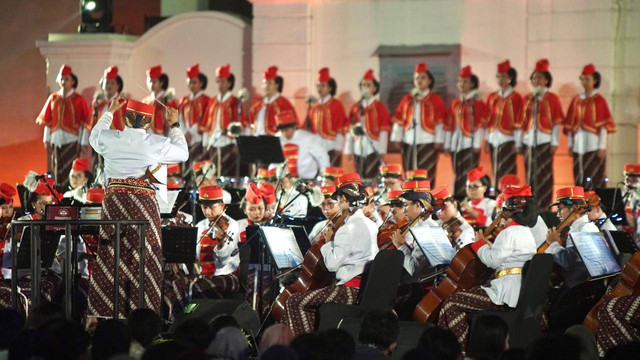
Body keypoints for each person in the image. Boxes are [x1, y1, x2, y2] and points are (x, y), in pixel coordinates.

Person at [87, 96, 188, 321]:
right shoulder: (155, 142)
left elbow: (94, 136)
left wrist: (109, 111)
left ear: (125, 119)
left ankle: (108, 317)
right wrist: (174, 125)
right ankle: (143, 319)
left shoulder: (111, 138)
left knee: (112, 255)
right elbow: (183, 154)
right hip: (143, 204)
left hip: (114, 203)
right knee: (145, 257)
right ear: (148, 123)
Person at [438, 185, 537, 348]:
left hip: (505, 294)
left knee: (452, 303)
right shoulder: (525, 232)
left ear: (509, 210)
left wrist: (479, 244)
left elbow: (492, 261)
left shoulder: (509, 233)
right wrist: (487, 245)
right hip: (519, 291)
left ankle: (459, 352)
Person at [282, 173, 378, 336]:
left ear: (346, 201)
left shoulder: (347, 229)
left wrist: (328, 243)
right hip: (366, 290)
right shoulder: (371, 224)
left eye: (339, 199)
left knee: (294, 301)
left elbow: (332, 264)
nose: (338, 204)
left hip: (348, 291)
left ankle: (304, 347)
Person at [518, 59, 564, 209]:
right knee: (530, 174)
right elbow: (521, 122)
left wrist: (555, 142)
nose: (537, 81)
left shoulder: (552, 98)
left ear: (546, 80)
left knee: (544, 175)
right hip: (529, 141)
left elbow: (556, 122)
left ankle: (544, 206)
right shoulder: (528, 98)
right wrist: (519, 142)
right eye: (534, 77)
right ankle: (530, 206)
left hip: (544, 140)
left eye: (540, 77)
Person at [390, 62, 446, 185]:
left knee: (427, 172)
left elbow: (440, 122)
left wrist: (439, 140)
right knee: (409, 171)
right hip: (409, 141)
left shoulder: (436, 100)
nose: (419, 80)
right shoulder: (408, 99)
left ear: (429, 80)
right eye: (417, 78)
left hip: (428, 141)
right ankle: (411, 198)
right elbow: (399, 119)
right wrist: (397, 138)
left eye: (423, 77)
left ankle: (426, 199)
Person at [36, 64, 90, 188]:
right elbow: (47, 120)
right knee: (56, 168)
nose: (63, 81)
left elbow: (84, 123)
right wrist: (46, 140)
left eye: (66, 79)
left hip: (72, 139)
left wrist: (83, 142)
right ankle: (58, 194)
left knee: (71, 168)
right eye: (61, 78)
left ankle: (69, 192)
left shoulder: (78, 99)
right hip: (56, 139)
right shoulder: (53, 98)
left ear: (72, 81)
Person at [565, 64, 616, 189]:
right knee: (578, 175)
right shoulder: (576, 100)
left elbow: (603, 127)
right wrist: (570, 145)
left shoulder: (599, 100)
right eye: (582, 79)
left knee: (594, 176)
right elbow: (571, 126)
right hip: (578, 145)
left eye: (587, 79)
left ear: (595, 80)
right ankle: (580, 203)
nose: (584, 82)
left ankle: (595, 203)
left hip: (593, 145)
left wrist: (602, 147)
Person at [190, 185, 241, 299]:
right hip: (203, 276)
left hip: (227, 276)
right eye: (204, 207)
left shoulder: (232, 225)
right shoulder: (200, 225)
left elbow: (224, 261)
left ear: (222, 205)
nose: (207, 212)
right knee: (179, 284)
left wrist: (221, 243)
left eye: (211, 207)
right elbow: (194, 256)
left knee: (199, 288)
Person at [345, 69, 391, 179]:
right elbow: (349, 129)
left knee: (373, 177)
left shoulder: (379, 107)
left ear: (374, 88)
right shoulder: (356, 107)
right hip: (357, 147)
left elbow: (384, 130)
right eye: (363, 85)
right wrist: (348, 149)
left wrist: (383, 150)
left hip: (373, 147)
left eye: (368, 85)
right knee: (359, 176)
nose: (365, 87)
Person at [202, 64, 245, 177]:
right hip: (214, 142)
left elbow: (239, 123)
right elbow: (207, 123)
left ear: (229, 83)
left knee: (228, 174)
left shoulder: (235, 101)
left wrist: (238, 143)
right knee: (213, 174)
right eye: (219, 81)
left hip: (228, 143)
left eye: (223, 81)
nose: (220, 84)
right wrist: (205, 142)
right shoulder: (213, 101)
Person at [486, 60, 522, 189]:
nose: (501, 79)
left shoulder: (516, 98)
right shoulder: (492, 97)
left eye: (504, 76)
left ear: (510, 78)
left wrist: (518, 143)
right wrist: (486, 140)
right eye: (499, 76)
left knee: (508, 169)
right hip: (493, 138)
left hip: (508, 138)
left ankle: (509, 196)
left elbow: (518, 121)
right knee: (495, 170)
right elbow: (487, 120)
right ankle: (497, 197)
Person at [308, 67, 348, 167]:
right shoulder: (314, 106)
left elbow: (340, 127)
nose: (320, 88)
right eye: (318, 85)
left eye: (323, 85)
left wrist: (339, 147)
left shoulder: (336, 105)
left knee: (331, 172)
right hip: (316, 145)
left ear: (330, 87)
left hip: (331, 145)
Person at [278, 111, 331, 180]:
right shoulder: (279, 139)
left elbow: (323, 157)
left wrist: (324, 177)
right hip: (286, 180)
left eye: (287, 130)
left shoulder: (309, 138)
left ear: (294, 126)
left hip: (307, 180)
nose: (284, 134)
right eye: (282, 131)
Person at [178, 64, 211, 173]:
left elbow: (206, 120)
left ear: (201, 83)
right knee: (184, 168)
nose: (191, 85)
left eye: (194, 82)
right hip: (185, 138)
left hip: (199, 138)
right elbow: (180, 118)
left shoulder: (207, 100)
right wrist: (185, 132)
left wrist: (192, 132)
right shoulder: (184, 100)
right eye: (189, 82)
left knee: (197, 167)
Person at [248, 66, 297, 136]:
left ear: (277, 85)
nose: (266, 86)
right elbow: (250, 120)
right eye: (264, 83)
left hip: (274, 139)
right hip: (256, 138)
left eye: (269, 83)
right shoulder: (258, 103)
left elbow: (290, 125)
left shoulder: (283, 103)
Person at [432, 185, 474, 249]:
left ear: (454, 205)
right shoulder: (437, 224)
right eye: (437, 210)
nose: (440, 213)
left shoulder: (465, 230)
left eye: (444, 208)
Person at [142, 65, 178, 136]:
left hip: (164, 136)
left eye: (154, 82)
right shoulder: (145, 101)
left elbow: (173, 121)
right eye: (149, 81)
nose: (151, 84)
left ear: (161, 83)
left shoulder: (168, 99)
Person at [91, 65, 126, 131]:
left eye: (112, 83)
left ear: (118, 85)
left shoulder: (123, 102)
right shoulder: (97, 102)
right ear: (102, 85)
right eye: (106, 83)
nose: (109, 86)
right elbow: (91, 123)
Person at [275, 153, 309, 218]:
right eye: (280, 181)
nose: (281, 184)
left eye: (283, 181)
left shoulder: (301, 198)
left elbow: (302, 216)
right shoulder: (280, 196)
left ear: (291, 180)